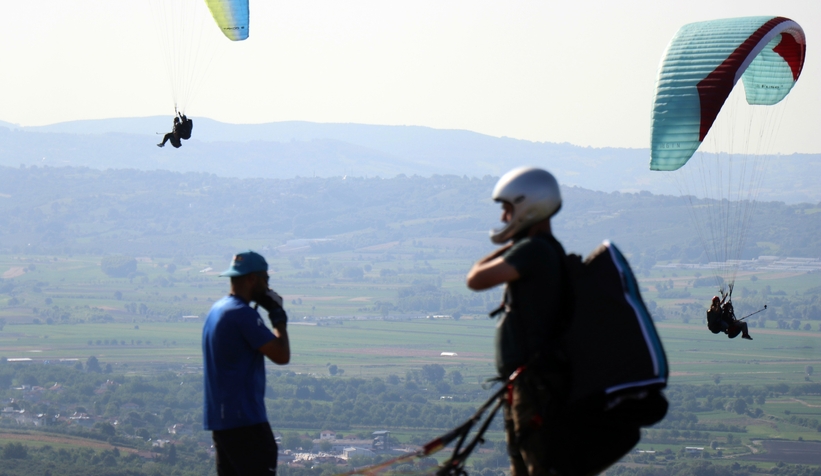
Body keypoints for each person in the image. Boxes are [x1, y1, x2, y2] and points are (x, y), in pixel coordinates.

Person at [466, 167, 569, 476]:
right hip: (529, 383)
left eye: (508, 210)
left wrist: (510, 243)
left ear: (529, 207)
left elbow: (476, 278)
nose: (503, 219)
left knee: (536, 467)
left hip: (533, 387)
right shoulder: (546, 249)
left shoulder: (534, 251)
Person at [203, 251, 290, 475]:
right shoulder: (242, 315)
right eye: (266, 279)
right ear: (253, 278)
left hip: (222, 422)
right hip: (246, 423)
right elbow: (282, 355)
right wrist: (277, 316)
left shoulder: (217, 310)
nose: (268, 286)